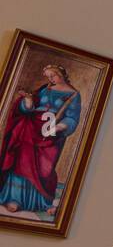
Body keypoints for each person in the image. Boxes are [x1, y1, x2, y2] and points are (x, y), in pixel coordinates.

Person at [0, 64, 81, 216]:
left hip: (50, 132)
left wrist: (57, 128)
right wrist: (28, 101)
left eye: (53, 75)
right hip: (31, 127)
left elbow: (72, 118)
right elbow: (29, 108)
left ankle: (40, 202)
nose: (51, 79)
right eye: (48, 77)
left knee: (44, 167)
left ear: (61, 74)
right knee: (22, 160)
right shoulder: (45, 89)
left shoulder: (73, 95)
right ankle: (14, 198)